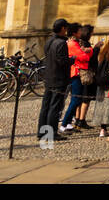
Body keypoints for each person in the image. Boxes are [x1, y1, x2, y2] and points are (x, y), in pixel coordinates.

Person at [37, 18, 72, 146]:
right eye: (66, 28)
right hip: (58, 78)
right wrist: (72, 60)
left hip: (49, 77)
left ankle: (42, 133)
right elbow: (62, 61)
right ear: (63, 28)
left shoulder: (50, 41)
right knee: (54, 106)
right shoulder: (61, 43)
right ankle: (51, 133)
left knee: (46, 106)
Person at [60, 23, 93, 132]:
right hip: (76, 73)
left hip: (76, 72)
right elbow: (84, 57)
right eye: (79, 31)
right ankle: (64, 124)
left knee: (77, 99)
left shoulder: (75, 43)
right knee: (75, 99)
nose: (81, 33)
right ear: (74, 32)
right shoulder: (73, 44)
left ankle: (68, 123)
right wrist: (90, 51)